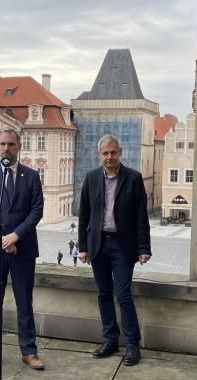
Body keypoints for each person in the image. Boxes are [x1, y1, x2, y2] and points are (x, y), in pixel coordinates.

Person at [0, 128, 45, 370]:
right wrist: (2, 238)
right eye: (2, 144)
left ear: (18, 147)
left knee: (25, 302)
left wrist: (16, 236)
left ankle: (29, 351)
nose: (6, 149)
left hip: (23, 249)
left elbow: (36, 210)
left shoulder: (31, 176)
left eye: (11, 144)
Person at [78, 134, 151, 366]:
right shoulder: (90, 178)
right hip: (98, 244)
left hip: (122, 245)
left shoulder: (133, 178)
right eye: (105, 153)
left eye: (113, 152)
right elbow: (84, 215)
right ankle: (110, 339)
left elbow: (141, 216)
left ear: (120, 153)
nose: (109, 157)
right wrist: (82, 247)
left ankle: (132, 344)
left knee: (123, 294)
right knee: (103, 294)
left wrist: (144, 247)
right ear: (99, 154)